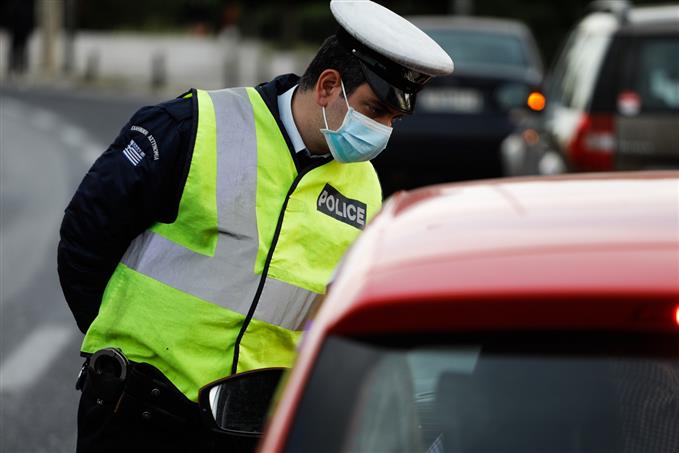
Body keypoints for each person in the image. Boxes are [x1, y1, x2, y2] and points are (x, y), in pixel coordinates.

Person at [57, 1, 453, 451]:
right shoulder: (192, 127)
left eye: (393, 120)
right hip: (139, 409)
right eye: (375, 110)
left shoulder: (365, 187)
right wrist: (120, 350)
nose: (383, 130)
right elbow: (85, 239)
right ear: (328, 86)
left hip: (251, 430)